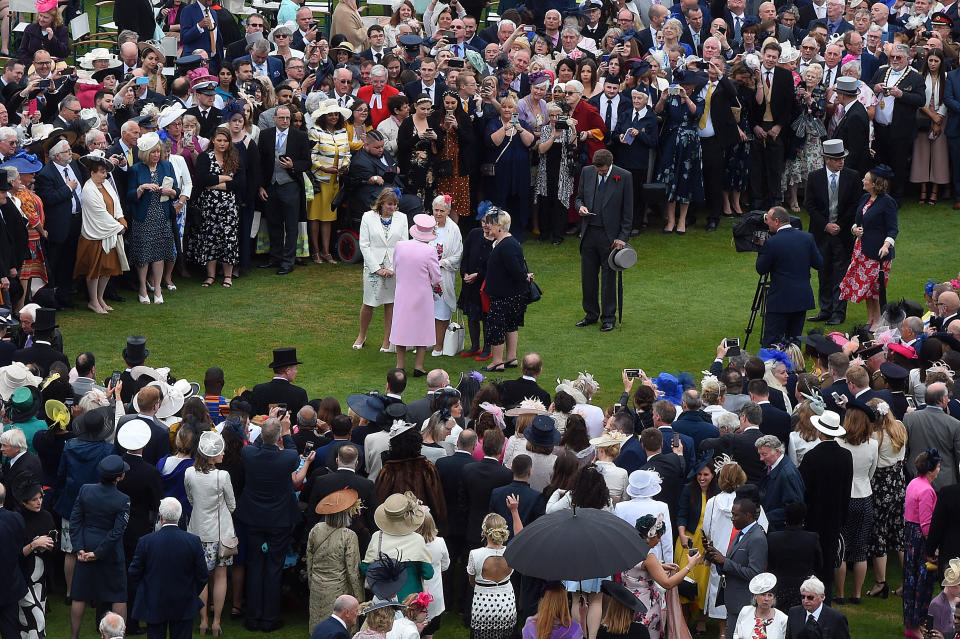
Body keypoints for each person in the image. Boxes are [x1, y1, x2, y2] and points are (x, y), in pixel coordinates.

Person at [234, 412, 302, 632]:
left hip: (255, 517)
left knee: (255, 565)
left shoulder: (250, 452)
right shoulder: (287, 456)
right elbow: (293, 450)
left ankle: (254, 617)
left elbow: (256, 442)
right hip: (278, 519)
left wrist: (270, 425)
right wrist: (286, 428)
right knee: (273, 567)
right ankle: (268, 618)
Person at [128, 497, 209, 639]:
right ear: (180, 517)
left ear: (160, 517)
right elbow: (202, 575)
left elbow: (134, 573)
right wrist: (190, 591)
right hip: (184, 602)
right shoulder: (193, 541)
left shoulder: (146, 541)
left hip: (154, 602)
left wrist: (147, 591)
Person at [68, 455, 131, 639]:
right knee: (118, 595)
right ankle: (119, 636)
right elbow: (117, 531)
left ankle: (74, 637)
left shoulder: (85, 490)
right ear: (118, 478)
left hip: (86, 546)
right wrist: (99, 552)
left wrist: (79, 547)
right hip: (110, 552)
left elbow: (75, 520)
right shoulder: (123, 499)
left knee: (79, 594)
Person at [573, 148, 632, 333]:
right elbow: (579, 198)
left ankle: (608, 318)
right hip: (589, 233)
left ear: (610, 165)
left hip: (610, 237)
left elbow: (628, 211)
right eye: (598, 170)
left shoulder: (624, 176)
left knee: (608, 280)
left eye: (604, 170)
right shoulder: (587, 172)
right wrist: (580, 207)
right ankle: (590, 314)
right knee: (588, 278)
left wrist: (622, 237)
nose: (600, 172)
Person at [183, 431, 235, 636]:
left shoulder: (189, 473)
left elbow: (190, 499)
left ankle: (204, 621)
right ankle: (216, 622)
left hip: (197, 531)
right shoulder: (223, 476)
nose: (223, 455)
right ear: (212, 456)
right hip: (221, 534)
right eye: (220, 452)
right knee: (221, 576)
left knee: (201, 578)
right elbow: (232, 504)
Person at [804, 139, 860, 327]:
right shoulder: (815, 177)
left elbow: (854, 205)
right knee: (823, 272)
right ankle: (825, 309)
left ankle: (838, 312)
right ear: (827, 159)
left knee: (840, 274)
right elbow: (809, 205)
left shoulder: (852, 177)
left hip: (843, 235)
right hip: (822, 234)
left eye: (842, 158)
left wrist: (839, 225)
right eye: (837, 159)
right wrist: (826, 225)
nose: (841, 162)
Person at [838, 164, 899, 331]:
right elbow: (858, 221)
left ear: (875, 183)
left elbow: (893, 228)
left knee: (876, 288)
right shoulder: (865, 198)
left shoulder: (888, 202)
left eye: (866, 178)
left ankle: (878, 322)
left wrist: (887, 245)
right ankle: (870, 319)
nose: (863, 180)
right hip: (861, 250)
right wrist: (854, 229)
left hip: (878, 253)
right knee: (866, 288)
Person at [622, 513, 703, 639]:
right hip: (645, 609)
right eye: (659, 536)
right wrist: (689, 566)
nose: (659, 540)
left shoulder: (627, 549)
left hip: (626, 606)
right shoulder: (649, 557)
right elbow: (668, 583)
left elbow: (637, 569)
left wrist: (661, 567)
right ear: (651, 535)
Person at [755, 206, 823, 347]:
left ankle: (769, 368)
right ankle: (794, 368)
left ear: (777, 221)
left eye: (768, 220)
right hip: (801, 297)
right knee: (794, 341)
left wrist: (761, 248)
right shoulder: (807, 238)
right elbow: (819, 263)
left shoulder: (772, 243)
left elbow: (761, 269)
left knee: (772, 340)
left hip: (780, 299)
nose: (766, 223)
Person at [187, 126, 244, 287]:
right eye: (219, 140)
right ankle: (210, 276)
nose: (222, 143)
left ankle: (227, 276)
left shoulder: (234, 157)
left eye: (225, 141)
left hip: (229, 207)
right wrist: (224, 177)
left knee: (229, 240)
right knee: (209, 239)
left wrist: (217, 184)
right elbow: (202, 179)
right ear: (213, 140)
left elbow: (239, 182)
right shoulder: (205, 157)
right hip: (209, 207)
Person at [127, 132, 180, 305]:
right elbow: (129, 195)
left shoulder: (167, 166)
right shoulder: (136, 169)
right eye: (153, 152)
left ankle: (157, 288)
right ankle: (143, 287)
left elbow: (176, 190)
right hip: (143, 217)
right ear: (145, 153)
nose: (157, 155)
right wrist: (142, 188)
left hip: (161, 215)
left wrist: (171, 192)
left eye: (158, 152)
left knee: (159, 254)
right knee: (143, 254)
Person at [258, 104, 311, 275]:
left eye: (288, 118)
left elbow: (307, 163)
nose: (285, 121)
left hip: (290, 186)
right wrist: (260, 186)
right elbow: (259, 163)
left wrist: (292, 165)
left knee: (291, 225)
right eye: (281, 118)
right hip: (271, 186)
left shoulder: (300, 136)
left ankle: (288, 261)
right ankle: (275, 257)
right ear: (274, 119)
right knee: (273, 223)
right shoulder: (265, 135)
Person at [705, 495, 768, 637]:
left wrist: (725, 562)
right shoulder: (741, 533)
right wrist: (717, 558)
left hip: (744, 602)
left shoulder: (757, 538)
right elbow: (734, 563)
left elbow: (755, 574)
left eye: (735, 515)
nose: (732, 518)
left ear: (748, 515)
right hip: (734, 601)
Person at [74, 150, 127, 315]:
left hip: (110, 232)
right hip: (95, 235)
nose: (105, 175)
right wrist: (119, 227)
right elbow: (99, 214)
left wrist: (121, 219)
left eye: (105, 172)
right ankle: (93, 301)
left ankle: (100, 297)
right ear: (92, 173)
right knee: (95, 269)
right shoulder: (88, 189)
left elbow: (115, 203)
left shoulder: (106, 185)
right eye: (102, 172)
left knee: (107, 268)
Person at [481, 208, 534, 372]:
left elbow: (516, 270)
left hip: (504, 295)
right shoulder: (508, 243)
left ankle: (497, 361)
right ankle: (511, 358)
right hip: (512, 294)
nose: (488, 227)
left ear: (500, 226)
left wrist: (524, 276)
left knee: (497, 326)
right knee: (511, 325)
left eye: (491, 224)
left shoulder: (506, 246)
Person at [653, 70, 706, 232]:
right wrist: (662, 98)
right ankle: (670, 220)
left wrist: (686, 97)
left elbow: (696, 113)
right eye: (683, 85)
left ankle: (682, 220)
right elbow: (657, 111)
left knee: (686, 179)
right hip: (670, 142)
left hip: (689, 144)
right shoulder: (671, 98)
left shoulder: (698, 99)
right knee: (670, 180)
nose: (685, 87)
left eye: (689, 85)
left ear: (694, 86)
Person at [306, 488, 363, 632]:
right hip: (339, 591)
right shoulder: (348, 535)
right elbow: (352, 570)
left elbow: (309, 560)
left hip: (317, 587)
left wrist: (311, 583)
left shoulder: (316, 529)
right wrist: (359, 597)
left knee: (318, 626)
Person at [390, 214, 441, 376]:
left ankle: (400, 365)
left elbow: (395, 267)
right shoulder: (430, 251)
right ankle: (419, 366)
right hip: (422, 294)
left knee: (401, 326)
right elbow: (436, 276)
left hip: (403, 292)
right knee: (422, 328)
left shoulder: (400, 246)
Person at [483, 96, 536, 242]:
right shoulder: (493, 123)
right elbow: (492, 142)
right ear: (500, 109)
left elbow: (530, 142)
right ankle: (497, 232)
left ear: (515, 110)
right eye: (504, 107)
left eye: (510, 107)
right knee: (499, 201)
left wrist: (519, 129)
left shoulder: (523, 123)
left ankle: (517, 233)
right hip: (500, 174)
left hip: (519, 173)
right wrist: (504, 128)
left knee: (518, 202)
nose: (507, 110)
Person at [308, 99, 352, 265]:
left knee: (328, 217)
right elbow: (311, 156)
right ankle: (315, 252)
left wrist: (345, 167)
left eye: (336, 114)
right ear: (323, 116)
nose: (333, 117)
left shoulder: (342, 132)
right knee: (315, 217)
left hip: (336, 179)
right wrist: (324, 169)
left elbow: (347, 154)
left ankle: (326, 252)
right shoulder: (315, 131)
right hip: (320, 180)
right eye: (330, 114)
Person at [903, 449, 940, 639]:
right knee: (922, 583)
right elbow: (926, 525)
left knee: (911, 581)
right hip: (920, 540)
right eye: (939, 466)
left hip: (910, 536)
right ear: (931, 469)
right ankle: (916, 626)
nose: (939, 470)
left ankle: (911, 624)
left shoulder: (913, 484)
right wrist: (934, 547)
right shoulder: (927, 490)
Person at [14, 483, 54, 639]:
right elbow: (15, 554)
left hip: (41, 577)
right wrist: (34, 545)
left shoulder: (46, 516)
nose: (39, 502)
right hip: (23, 577)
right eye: (34, 499)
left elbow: (54, 545)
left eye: (41, 498)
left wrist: (48, 545)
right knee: (35, 618)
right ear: (24, 502)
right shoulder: (16, 520)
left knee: (36, 618)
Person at [467, 513, 515, 639]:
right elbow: (521, 535)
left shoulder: (475, 554)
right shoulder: (512, 551)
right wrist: (514, 511)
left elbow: (472, 581)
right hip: (506, 605)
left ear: (485, 532)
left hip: (483, 606)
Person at [910, 48, 949, 204]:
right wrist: (931, 115)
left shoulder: (946, 77)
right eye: (930, 60)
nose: (932, 64)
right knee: (922, 154)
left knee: (939, 155)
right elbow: (919, 100)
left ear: (941, 63)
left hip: (941, 118)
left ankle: (934, 191)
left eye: (936, 61)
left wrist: (938, 118)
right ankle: (923, 191)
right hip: (923, 117)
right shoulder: (920, 77)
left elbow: (947, 98)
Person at [429, 195, 463, 356]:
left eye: (442, 210)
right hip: (426, 276)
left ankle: (439, 345)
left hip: (443, 275)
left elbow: (458, 254)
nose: (438, 213)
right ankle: (425, 342)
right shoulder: (426, 224)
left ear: (448, 211)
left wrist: (441, 263)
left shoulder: (454, 230)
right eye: (436, 210)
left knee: (441, 310)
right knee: (425, 310)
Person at [785, 576, 851, 639]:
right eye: (803, 597)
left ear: (822, 597)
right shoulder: (794, 613)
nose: (805, 601)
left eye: (810, 597)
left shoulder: (837, 618)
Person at [0, 484, 27, 639]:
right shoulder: (16, 518)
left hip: (9, 583)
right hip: (10, 583)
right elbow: (19, 546)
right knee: (11, 629)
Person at [732, 573, 788, 639]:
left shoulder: (783, 619)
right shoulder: (745, 611)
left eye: (770, 595)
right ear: (755, 596)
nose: (766, 599)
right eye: (763, 594)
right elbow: (736, 634)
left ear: (773, 598)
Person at [520, 582, 584, 639]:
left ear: (543, 601)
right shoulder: (574, 628)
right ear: (565, 602)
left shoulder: (530, 625)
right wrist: (583, 617)